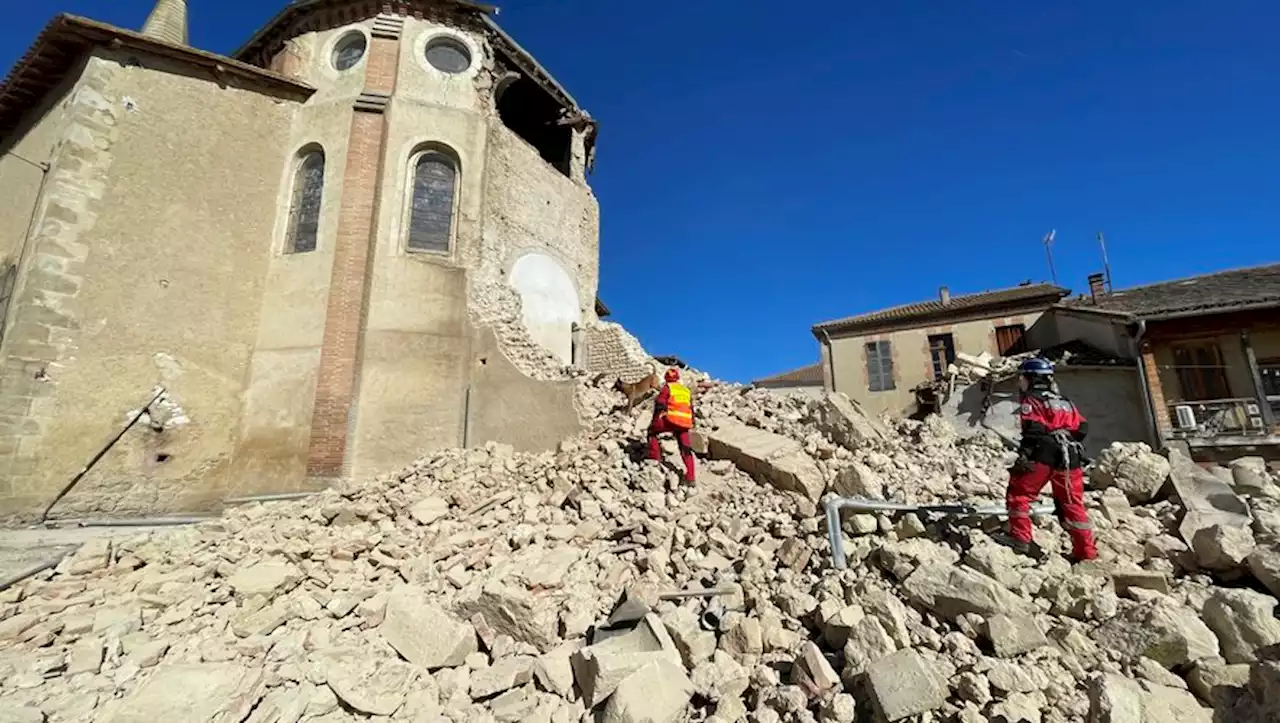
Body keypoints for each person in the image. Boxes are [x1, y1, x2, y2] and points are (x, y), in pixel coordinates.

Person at [995, 357, 1098, 562]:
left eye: (1022, 378)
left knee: (1019, 494)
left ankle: (1020, 538)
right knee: (1072, 503)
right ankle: (1086, 553)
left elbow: (1034, 430)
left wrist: (1024, 456)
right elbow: (1082, 428)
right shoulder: (1065, 401)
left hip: (1045, 452)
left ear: (1032, 378)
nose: (1020, 382)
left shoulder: (1032, 399)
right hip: (1071, 455)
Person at [648, 367, 696, 483]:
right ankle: (691, 477)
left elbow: (660, 404)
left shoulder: (667, 388)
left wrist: (654, 422)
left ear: (666, 378)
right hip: (685, 423)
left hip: (670, 421)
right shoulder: (685, 390)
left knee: (651, 432)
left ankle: (655, 459)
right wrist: (692, 422)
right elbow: (691, 408)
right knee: (686, 449)